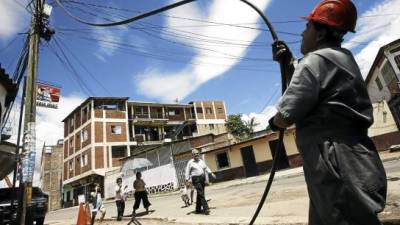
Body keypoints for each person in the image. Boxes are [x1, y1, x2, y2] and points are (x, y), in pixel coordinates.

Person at [269, 1, 387, 225]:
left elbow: (286, 115)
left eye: (307, 29)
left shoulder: (315, 60)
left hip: (334, 162)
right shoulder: (343, 58)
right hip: (356, 159)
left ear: (320, 33)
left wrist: (274, 123)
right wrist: (288, 63)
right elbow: (319, 85)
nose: (303, 34)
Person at [185, 148, 216, 215]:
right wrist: (187, 180)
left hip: (202, 178)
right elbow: (187, 171)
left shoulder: (201, 161)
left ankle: (198, 209)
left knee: (200, 193)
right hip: (195, 179)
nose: (196, 155)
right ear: (192, 155)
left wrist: (211, 173)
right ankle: (206, 209)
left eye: (197, 153)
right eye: (195, 154)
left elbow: (206, 167)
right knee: (201, 193)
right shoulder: (190, 162)